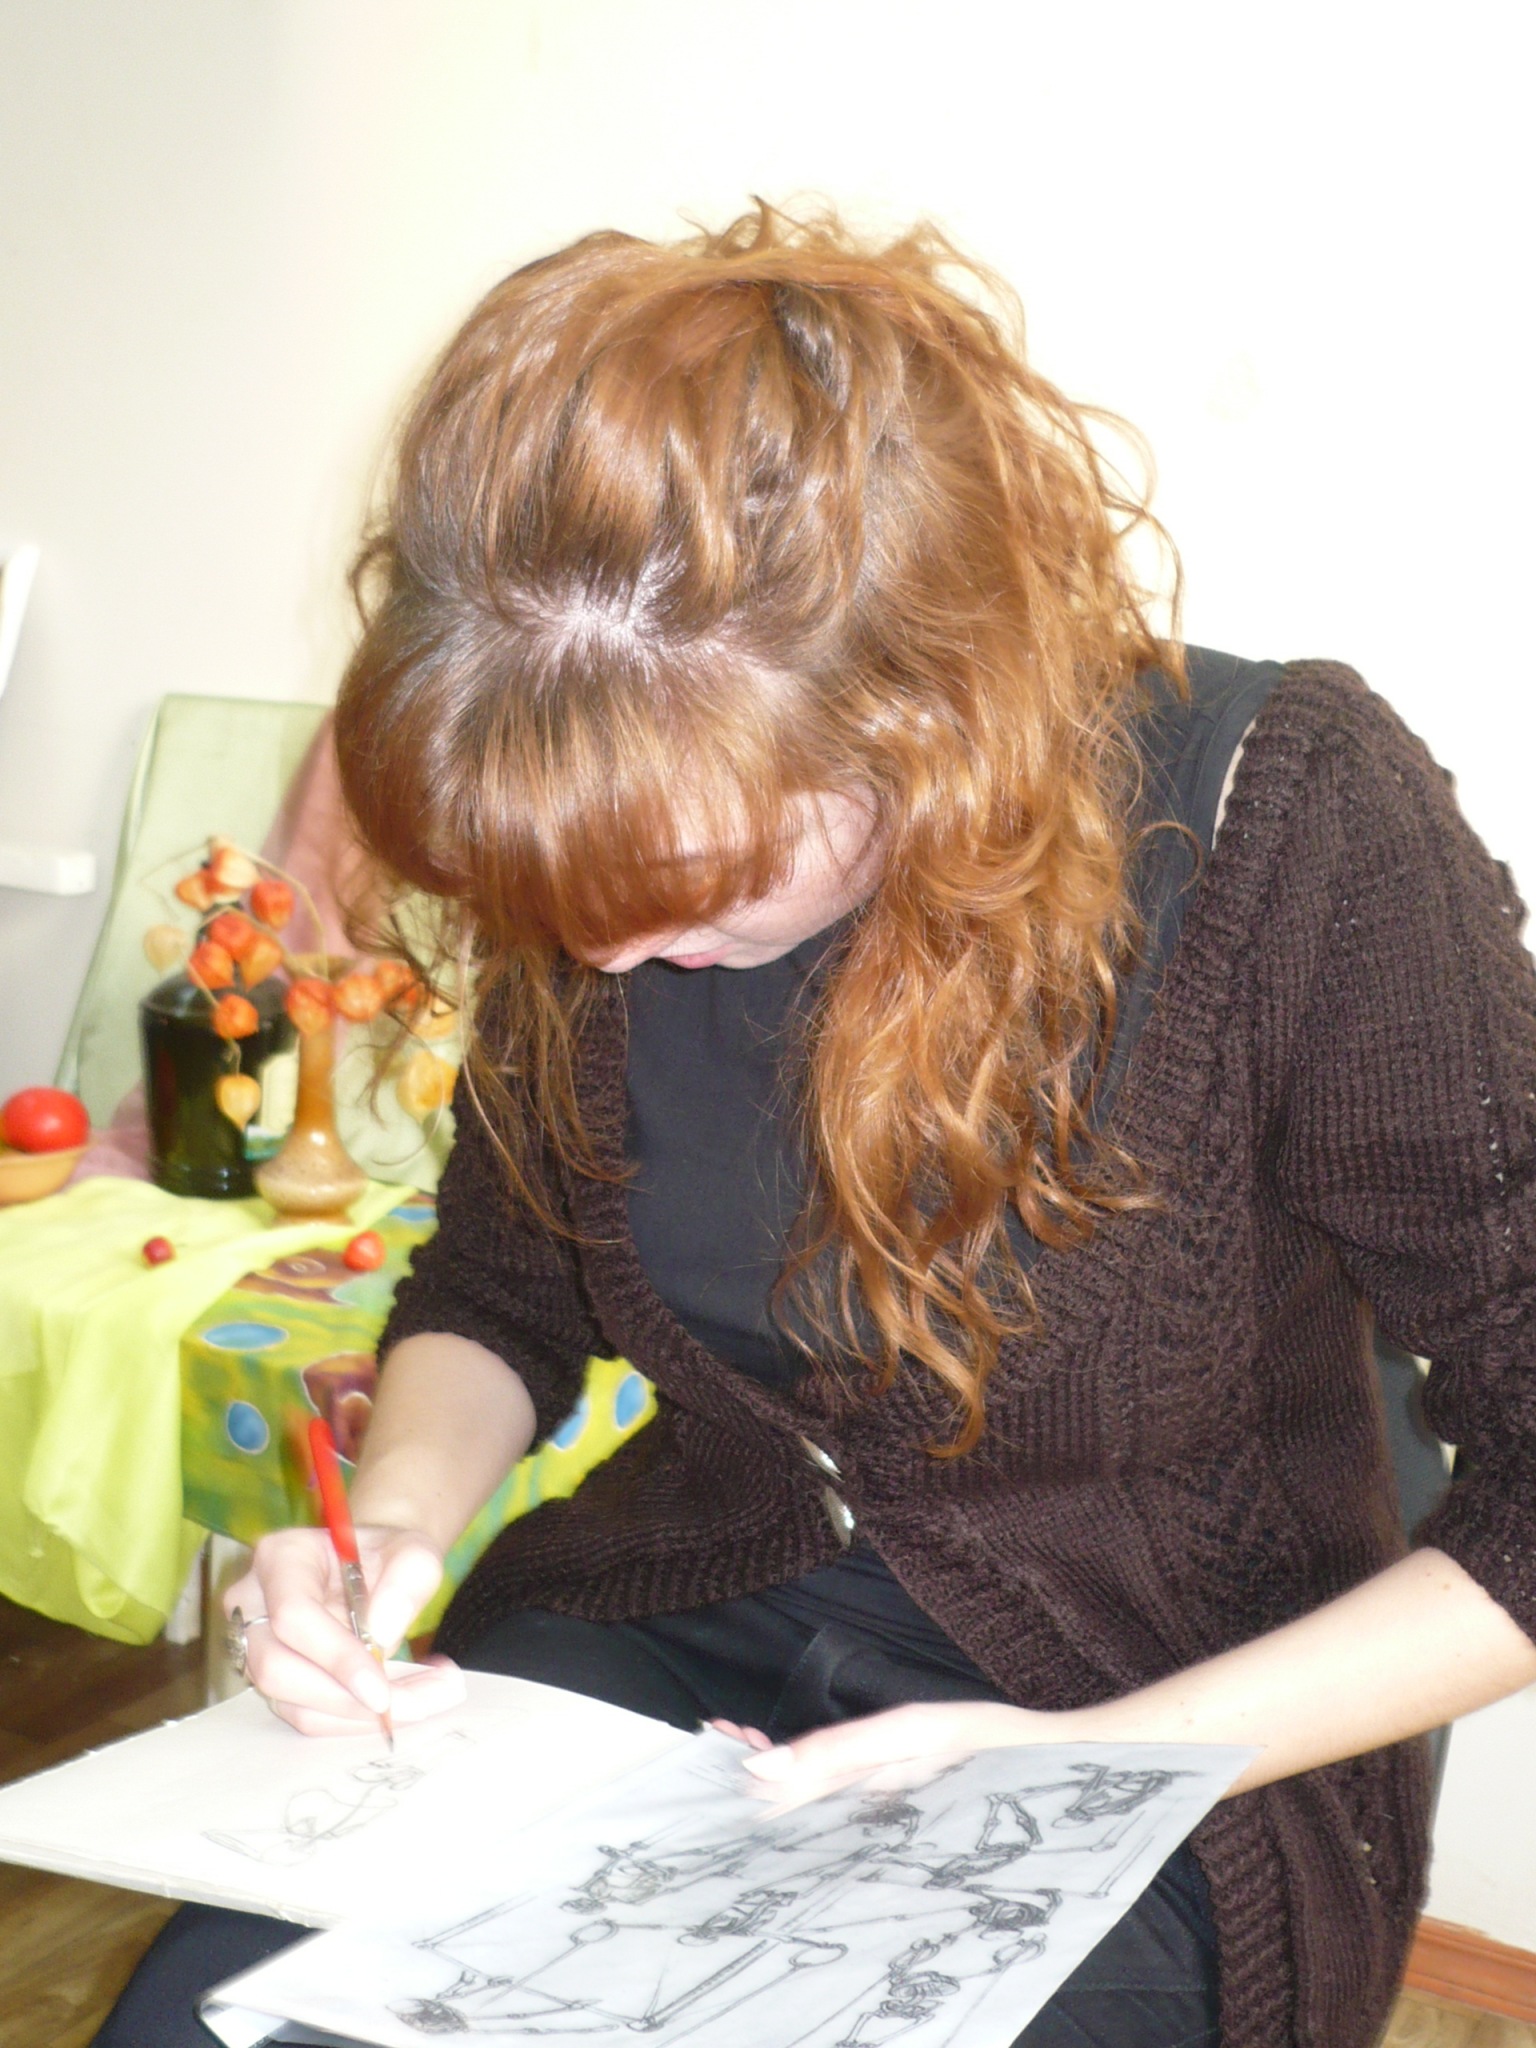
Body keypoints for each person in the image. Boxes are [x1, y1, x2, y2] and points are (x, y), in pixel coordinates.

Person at [94, 204, 1536, 2048]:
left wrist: (1089, 1761)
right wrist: (387, 1543)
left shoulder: (1286, 820)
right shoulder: (607, 831)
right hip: (676, 1624)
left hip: (1161, 1725)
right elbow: (502, 1293)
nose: (606, 955)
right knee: (215, 2020)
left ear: (921, 717)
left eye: (686, 880)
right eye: (563, 907)